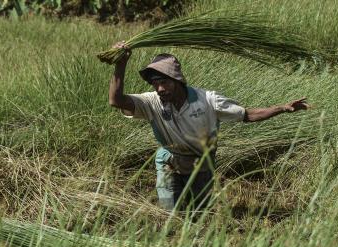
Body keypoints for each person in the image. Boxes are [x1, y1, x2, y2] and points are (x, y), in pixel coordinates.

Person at [108, 42, 309, 211]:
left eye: (164, 82)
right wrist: (120, 65)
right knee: (169, 211)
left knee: (199, 211)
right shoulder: (152, 102)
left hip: (201, 164)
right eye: (155, 83)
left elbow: (247, 114)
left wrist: (282, 108)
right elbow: (116, 101)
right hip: (168, 161)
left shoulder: (208, 101)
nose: (159, 88)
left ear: (177, 80)